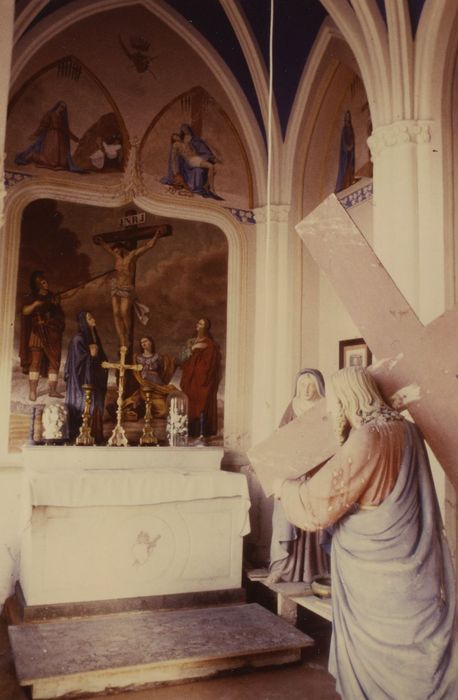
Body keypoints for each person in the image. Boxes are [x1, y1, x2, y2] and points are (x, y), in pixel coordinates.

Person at [276, 367, 457, 699]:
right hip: (410, 556)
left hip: (371, 567)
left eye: (334, 402)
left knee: (378, 644)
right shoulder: (408, 430)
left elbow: (318, 505)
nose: (332, 410)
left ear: (348, 399)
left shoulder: (369, 437)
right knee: (410, 638)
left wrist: (284, 486)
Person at [268, 369, 330, 585]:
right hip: (294, 471)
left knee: (316, 516)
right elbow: (279, 438)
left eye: (310, 384)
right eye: (302, 384)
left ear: (319, 386)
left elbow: (335, 438)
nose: (306, 389)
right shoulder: (292, 406)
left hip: (318, 472)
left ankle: (317, 570)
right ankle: (283, 568)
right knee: (285, 517)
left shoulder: (327, 407)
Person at [94, 228, 166, 348]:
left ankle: (128, 334)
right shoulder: (117, 257)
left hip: (127, 287)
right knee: (116, 313)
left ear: (122, 248)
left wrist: (156, 236)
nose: (115, 253)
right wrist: (102, 242)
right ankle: (122, 341)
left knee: (124, 312)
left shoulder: (132, 255)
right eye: (114, 251)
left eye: (117, 250)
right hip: (116, 287)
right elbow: (107, 248)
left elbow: (148, 246)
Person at [20, 270, 66, 401]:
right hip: (37, 332)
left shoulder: (52, 297)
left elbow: (59, 314)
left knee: (54, 362)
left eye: (46, 282)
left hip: (52, 333)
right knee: (35, 362)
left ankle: (52, 390)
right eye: (43, 282)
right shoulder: (33, 297)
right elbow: (24, 311)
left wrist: (55, 310)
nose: (46, 284)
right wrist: (35, 304)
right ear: (38, 284)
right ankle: (33, 391)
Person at [64, 310, 108, 444]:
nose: (93, 319)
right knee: (85, 406)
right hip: (81, 383)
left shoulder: (93, 338)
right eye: (89, 318)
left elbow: (99, 359)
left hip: (94, 380)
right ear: (84, 322)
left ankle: (96, 436)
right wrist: (91, 356)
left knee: (97, 405)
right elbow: (77, 364)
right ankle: (81, 437)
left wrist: (101, 361)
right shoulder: (79, 339)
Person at [180, 317, 222, 438]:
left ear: (206, 327)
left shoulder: (210, 344)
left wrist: (197, 360)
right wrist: (192, 350)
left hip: (202, 379)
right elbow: (183, 358)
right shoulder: (191, 341)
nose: (199, 325)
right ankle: (190, 430)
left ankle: (202, 432)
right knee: (190, 402)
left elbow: (210, 364)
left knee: (201, 403)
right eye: (198, 323)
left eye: (202, 324)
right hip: (190, 378)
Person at [15, 101, 84, 172]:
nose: (62, 109)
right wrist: (35, 134)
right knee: (52, 161)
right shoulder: (50, 114)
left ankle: (43, 159)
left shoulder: (62, 118)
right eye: (61, 107)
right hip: (51, 137)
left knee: (62, 163)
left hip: (60, 139)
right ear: (57, 106)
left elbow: (66, 130)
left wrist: (76, 139)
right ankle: (33, 156)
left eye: (63, 108)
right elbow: (43, 126)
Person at [161, 123, 223, 200]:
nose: (176, 136)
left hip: (197, 158)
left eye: (176, 135)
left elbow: (189, 135)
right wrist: (175, 172)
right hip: (192, 160)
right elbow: (173, 159)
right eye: (174, 137)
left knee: (213, 168)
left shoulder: (186, 142)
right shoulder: (176, 145)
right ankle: (212, 189)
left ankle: (207, 186)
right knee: (211, 166)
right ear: (173, 140)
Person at [123, 336, 177, 420]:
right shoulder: (137, 358)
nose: (143, 343)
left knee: (164, 411)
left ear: (151, 343)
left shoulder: (158, 357)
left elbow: (166, 367)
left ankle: (147, 411)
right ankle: (143, 411)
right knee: (134, 403)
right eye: (142, 342)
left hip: (158, 388)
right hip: (144, 386)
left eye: (145, 341)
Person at [335, 110, 355, 193]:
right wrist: (347, 147)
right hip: (346, 154)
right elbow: (343, 141)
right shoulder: (344, 129)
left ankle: (350, 181)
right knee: (345, 168)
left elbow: (352, 139)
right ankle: (344, 184)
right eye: (346, 116)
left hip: (351, 152)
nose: (348, 118)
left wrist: (352, 146)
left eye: (349, 116)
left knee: (350, 167)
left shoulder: (351, 128)